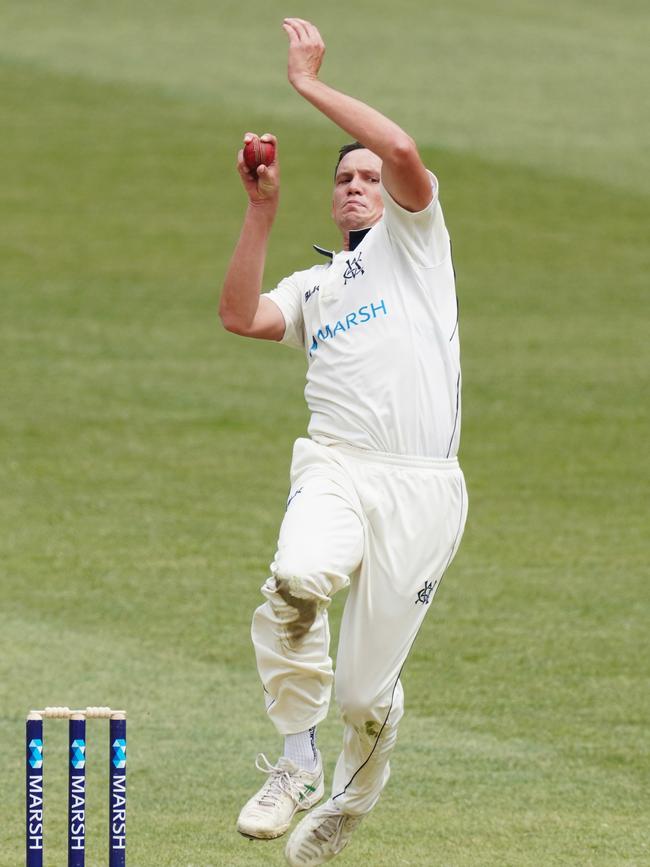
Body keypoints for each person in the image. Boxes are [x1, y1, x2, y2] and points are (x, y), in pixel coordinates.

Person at [219, 17, 468, 867]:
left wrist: (309, 86)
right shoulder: (319, 283)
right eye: (346, 178)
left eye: (368, 176)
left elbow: (399, 145)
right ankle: (293, 761)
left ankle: (350, 798)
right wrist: (262, 210)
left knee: (367, 694)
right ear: (333, 198)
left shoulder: (416, 245)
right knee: (294, 582)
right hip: (333, 464)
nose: (361, 183)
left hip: (421, 488)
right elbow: (242, 316)